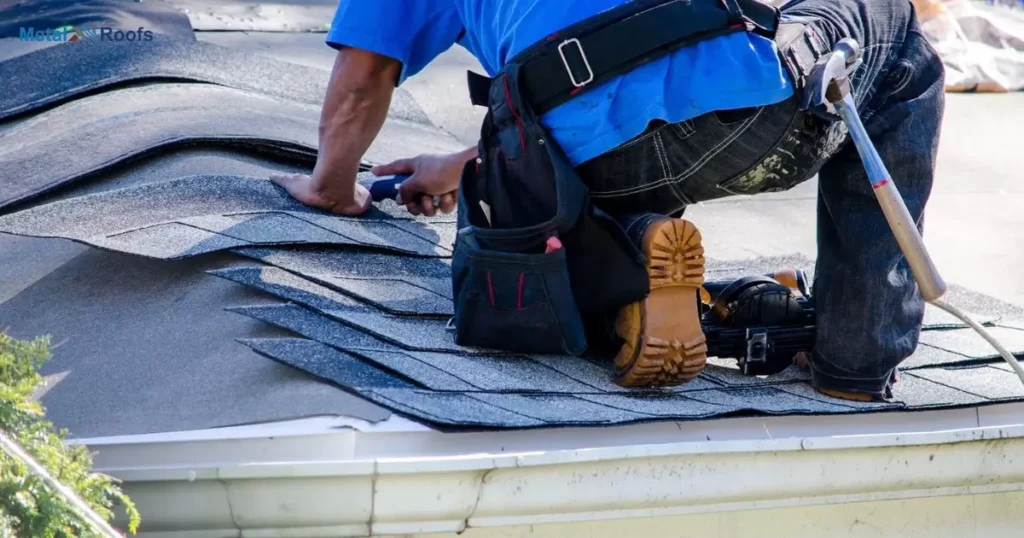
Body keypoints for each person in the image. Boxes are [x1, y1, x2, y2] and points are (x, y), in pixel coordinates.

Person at [272, 0, 945, 401]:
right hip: (738, 118)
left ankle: (635, 263)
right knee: (894, 34)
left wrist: (330, 188)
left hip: (567, 167)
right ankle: (855, 360)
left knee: (589, 125)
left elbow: (363, 79)